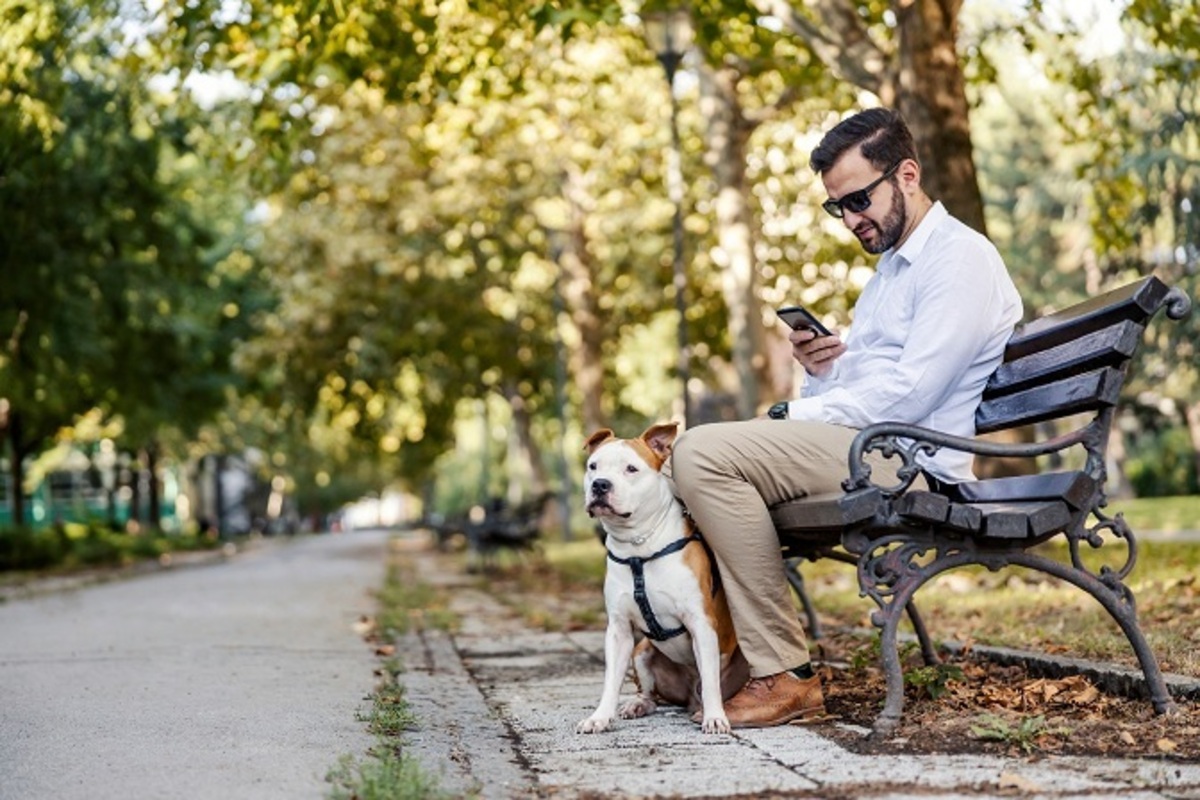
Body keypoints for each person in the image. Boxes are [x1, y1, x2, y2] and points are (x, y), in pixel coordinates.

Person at [668, 107, 1023, 728]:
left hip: (909, 462)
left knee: (700, 454)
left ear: (907, 175)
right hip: (870, 449)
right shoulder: (888, 275)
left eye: (859, 199)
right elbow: (864, 389)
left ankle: (784, 674)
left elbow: (912, 394)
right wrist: (823, 371)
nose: (852, 219)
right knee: (694, 463)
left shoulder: (958, 259)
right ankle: (728, 656)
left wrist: (794, 412)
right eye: (838, 207)